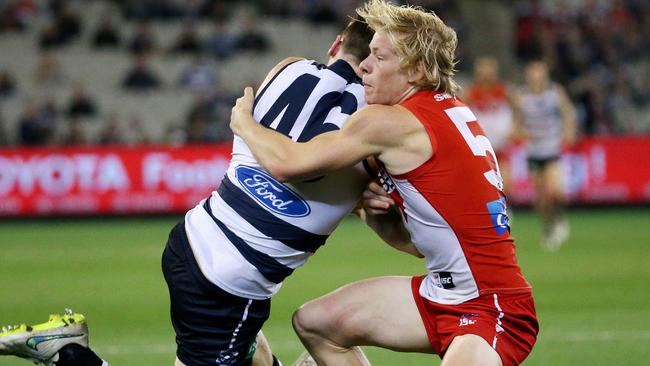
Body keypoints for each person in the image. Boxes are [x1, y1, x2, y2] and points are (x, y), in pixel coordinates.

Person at [0, 15, 374, 366]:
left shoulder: (287, 67)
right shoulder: (370, 124)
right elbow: (304, 162)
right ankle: (68, 353)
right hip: (228, 284)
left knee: (252, 352)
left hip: (195, 237)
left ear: (336, 43)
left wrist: (244, 122)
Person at [230, 1, 538, 365]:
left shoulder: (391, 123)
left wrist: (244, 123)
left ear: (417, 70)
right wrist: (375, 212)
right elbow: (414, 244)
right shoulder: (443, 110)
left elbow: (287, 163)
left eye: (379, 56)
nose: (363, 66)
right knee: (316, 324)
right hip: (441, 294)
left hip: (493, 307)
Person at [512, 60, 576, 251]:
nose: (535, 74)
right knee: (540, 201)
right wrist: (521, 133)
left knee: (556, 191)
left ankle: (559, 221)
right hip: (534, 152)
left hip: (552, 149)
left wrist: (569, 130)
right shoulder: (521, 96)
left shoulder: (555, 92)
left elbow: (567, 112)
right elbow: (516, 123)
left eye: (538, 70)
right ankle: (549, 227)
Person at [464, 57, 517, 193]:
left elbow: (518, 109)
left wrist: (516, 127)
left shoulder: (504, 91)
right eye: (483, 70)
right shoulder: (471, 93)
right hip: (481, 148)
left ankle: (506, 210)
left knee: (507, 187)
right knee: (484, 187)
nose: (486, 74)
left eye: (489, 70)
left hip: (501, 146)